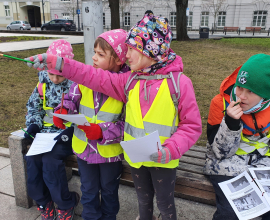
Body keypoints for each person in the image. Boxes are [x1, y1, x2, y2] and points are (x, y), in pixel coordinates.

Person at [25, 12, 202, 220]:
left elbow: (191, 126)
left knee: (165, 204)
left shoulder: (179, 83)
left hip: (164, 159)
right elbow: (91, 75)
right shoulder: (129, 81)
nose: (126, 56)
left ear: (149, 50)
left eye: (131, 49)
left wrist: (171, 149)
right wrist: (57, 62)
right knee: (143, 202)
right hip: (136, 159)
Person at [52, 29, 130, 220]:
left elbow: (129, 125)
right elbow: (71, 99)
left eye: (101, 54)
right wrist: (63, 111)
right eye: (94, 52)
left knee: (110, 192)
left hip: (109, 154)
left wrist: (103, 132)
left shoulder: (127, 86)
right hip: (84, 150)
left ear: (119, 59)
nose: (93, 58)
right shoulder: (84, 78)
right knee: (88, 190)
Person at [203, 54, 270, 220]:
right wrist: (231, 123)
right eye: (239, 87)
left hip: (262, 166)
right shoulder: (220, 103)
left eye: (251, 91)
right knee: (230, 211)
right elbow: (219, 153)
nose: (241, 96)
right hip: (225, 167)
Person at [24, 39, 79, 220]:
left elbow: (83, 112)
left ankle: (65, 203)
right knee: (31, 160)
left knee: (50, 162)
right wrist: (33, 124)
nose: (55, 79)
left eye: (59, 75)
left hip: (66, 135)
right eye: (51, 74)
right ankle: (43, 202)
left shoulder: (75, 86)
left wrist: (69, 125)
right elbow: (34, 108)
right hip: (44, 135)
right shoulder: (42, 85)